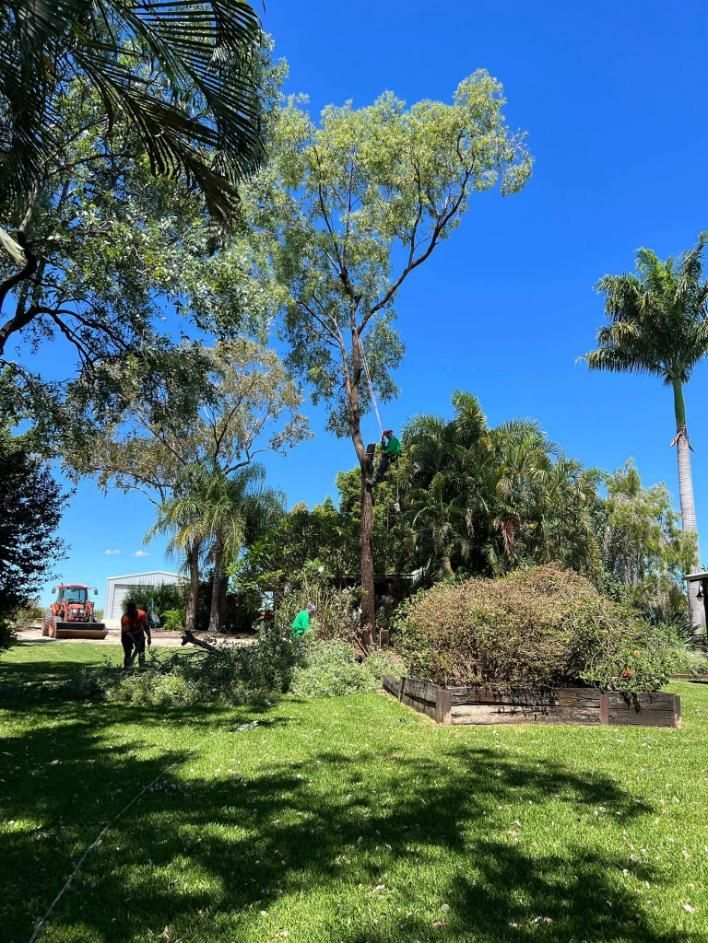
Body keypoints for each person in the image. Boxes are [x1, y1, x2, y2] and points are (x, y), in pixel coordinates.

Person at [121, 601, 151, 668]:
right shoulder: (125, 618)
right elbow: (128, 633)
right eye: (130, 611)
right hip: (126, 636)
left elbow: (146, 627)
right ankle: (127, 668)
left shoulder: (142, 614)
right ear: (128, 610)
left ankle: (142, 668)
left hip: (139, 634)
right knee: (128, 652)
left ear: (135, 609)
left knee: (141, 653)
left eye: (133, 611)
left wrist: (149, 638)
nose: (131, 613)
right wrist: (135, 642)